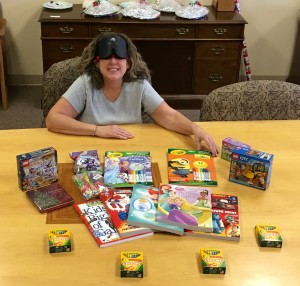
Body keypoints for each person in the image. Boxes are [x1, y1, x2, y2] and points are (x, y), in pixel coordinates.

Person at [46, 32, 219, 156]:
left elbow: (169, 116)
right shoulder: (85, 82)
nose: (113, 62)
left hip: (131, 149)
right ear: (97, 62)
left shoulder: (139, 85)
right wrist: (97, 130)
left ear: (128, 63)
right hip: (91, 148)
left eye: (119, 57)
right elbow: (53, 119)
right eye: (107, 57)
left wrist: (194, 128)